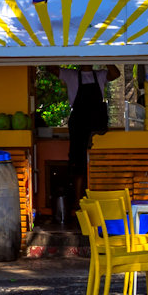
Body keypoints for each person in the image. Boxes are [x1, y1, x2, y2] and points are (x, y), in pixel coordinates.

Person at [49, 64, 121, 209]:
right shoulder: (71, 75)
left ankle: (98, 201)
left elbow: (116, 73)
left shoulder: (100, 75)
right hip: (79, 125)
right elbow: (50, 68)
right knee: (78, 164)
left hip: (96, 126)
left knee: (98, 162)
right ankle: (78, 204)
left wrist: (103, 55)